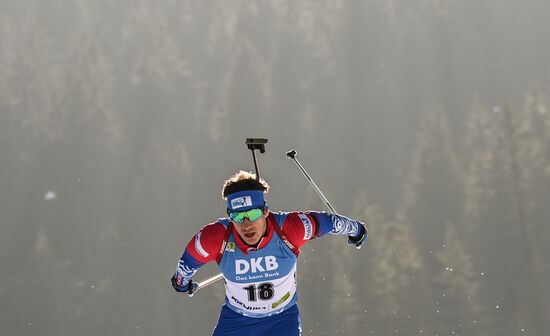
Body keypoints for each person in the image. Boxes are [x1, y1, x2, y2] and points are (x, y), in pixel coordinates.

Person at [171, 170, 367, 336]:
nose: (246, 224)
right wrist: (182, 283)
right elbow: (187, 263)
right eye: (238, 217)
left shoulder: (291, 229)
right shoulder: (215, 237)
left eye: (253, 214)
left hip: (282, 320)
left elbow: (330, 222)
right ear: (229, 216)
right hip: (237, 321)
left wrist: (356, 230)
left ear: (265, 211)